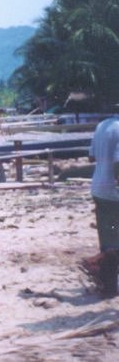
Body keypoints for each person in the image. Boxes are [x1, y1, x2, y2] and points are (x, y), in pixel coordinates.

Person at [88, 116, 119, 297]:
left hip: (99, 188)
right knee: (114, 243)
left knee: (108, 240)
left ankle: (108, 288)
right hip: (114, 193)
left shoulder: (102, 125)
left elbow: (91, 156)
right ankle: (95, 263)